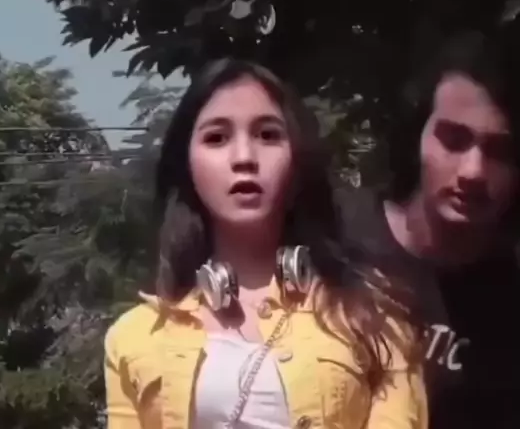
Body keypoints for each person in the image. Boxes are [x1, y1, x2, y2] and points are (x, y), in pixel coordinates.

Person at [103, 59, 427, 429]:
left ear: (297, 160)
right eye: (216, 138)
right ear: (187, 167)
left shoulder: (375, 316)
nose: (244, 158)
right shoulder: (134, 338)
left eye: (268, 135)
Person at [339, 28, 520, 429]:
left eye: (499, 151)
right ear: (417, 136)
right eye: (453, 140)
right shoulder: (333, 238)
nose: (473, 171)